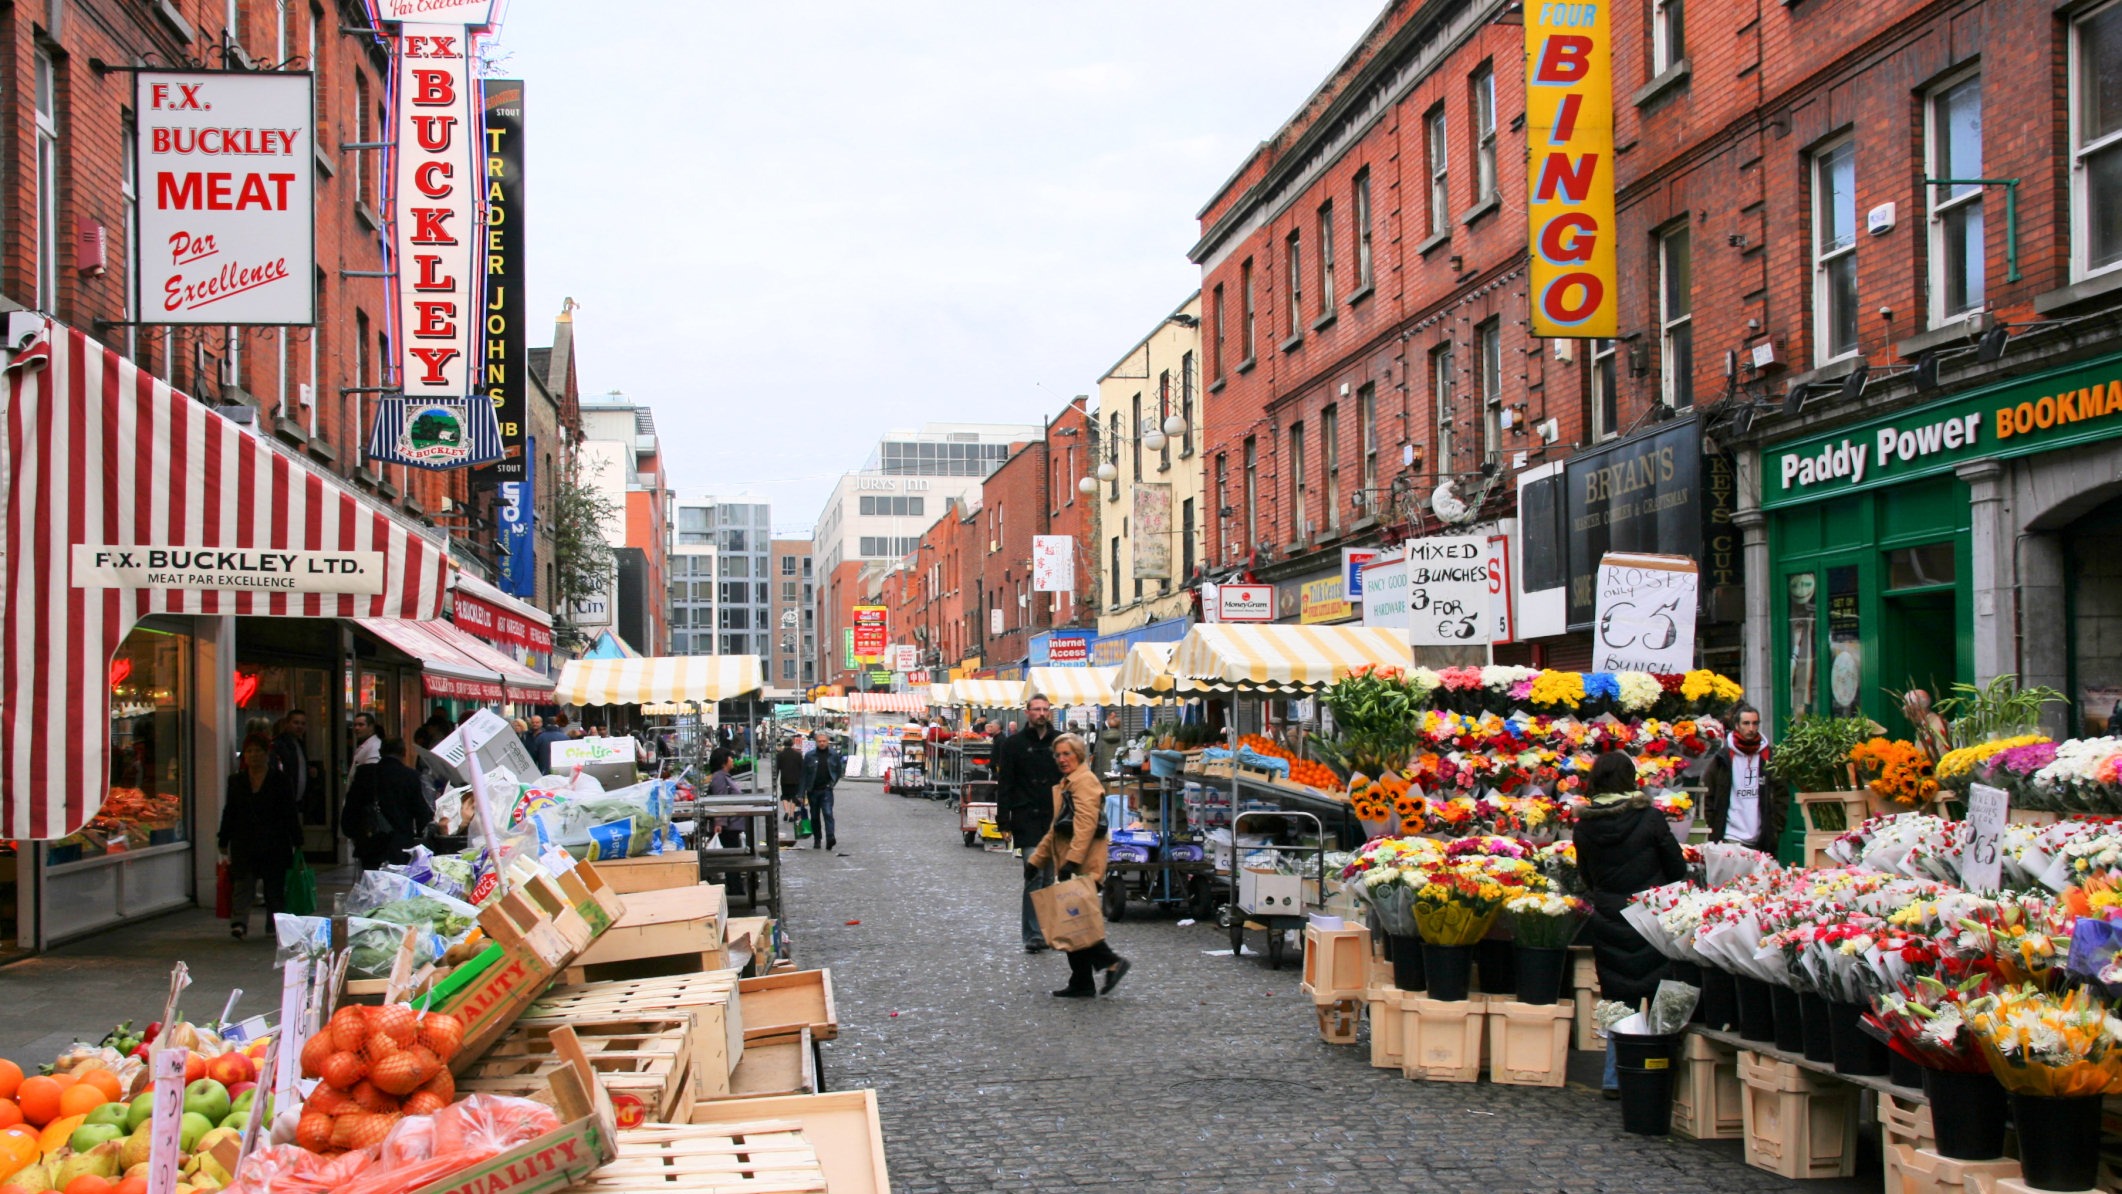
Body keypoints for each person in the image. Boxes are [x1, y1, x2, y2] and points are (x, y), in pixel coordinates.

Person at [1573, 750, 1689, 1097]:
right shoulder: (1650, 818)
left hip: (1610, 916)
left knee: (1617, 995)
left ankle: (1614, 1076)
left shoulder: (1585, 826)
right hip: (1650, 914)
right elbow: (1676, 867)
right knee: (1659, 990)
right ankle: (1656, 1070)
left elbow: (1586, 876)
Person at [1027, 732, 1129, 997]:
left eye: (1067, 754)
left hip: (1084, 863)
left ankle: (1109, 964)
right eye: (1058, 755)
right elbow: (1057, 829)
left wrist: (1071, 862)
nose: (1061, 759)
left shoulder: (1084, 782)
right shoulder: (1069, 782)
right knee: (1073, 922)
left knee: (1075, 922)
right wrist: (1037, 860)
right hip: (1073, 861)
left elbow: (1085, 825)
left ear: (1079, 754)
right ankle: (1083, 981)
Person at [995, 695, 1062, 953]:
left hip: (1054, 818)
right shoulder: (1013, 744)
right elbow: (1005, 784)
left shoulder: (1060, 741)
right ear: (1027, 712)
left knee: (1048, 879)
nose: (1042, 713)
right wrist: (1004, 821)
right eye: (1037, 709)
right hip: (1026, 816)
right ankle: (1033, 934)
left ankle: (1045, 930)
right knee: (1035, 874)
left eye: (1045, 709)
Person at [221, 734, 303, 940]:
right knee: (243, 882)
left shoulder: (280, 780)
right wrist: (223, 838)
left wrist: (297, 839)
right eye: (249, 751)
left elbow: (289, 811)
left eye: (258, 751)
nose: (253, 755)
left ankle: (273, 924)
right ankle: (239, 923)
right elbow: (230, 811)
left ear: (267, 754)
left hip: (274, 840)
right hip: (244, 840)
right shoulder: (236, 781)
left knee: (274, 885)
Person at [1704, 704, 1786, 852]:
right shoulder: (1723, 757)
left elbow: (1781, 793)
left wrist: (1776, 828)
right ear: (1737, 725)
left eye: (1755, 723)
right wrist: (1714, 825)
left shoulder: (1768, 756)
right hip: (1729, 836)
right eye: (1746, 723)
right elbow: (1709, 793)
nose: (1751, 728)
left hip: (1762, 838)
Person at [345, 738, 434, 869]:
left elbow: (351, 808)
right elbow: (421, 813)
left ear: (380, 752)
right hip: (400, 844)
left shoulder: (364, 774)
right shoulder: (410, 776)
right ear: (404, 753)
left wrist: (354, 834)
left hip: (371, 843)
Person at [801, 729, 845, 850]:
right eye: (819, 741)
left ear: (828, 741)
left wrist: (832, 783)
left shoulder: (833, 755)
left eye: (824, 741)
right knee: (815, 816)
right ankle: (817, 839)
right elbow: (804, 775)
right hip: (813, 790)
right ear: (816, 742)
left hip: (826, 790)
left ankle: (830, 837)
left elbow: (838, 771)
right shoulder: (809, 756)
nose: (822, 743)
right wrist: (801, 793)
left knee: (828, 813)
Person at [270, 709, 310, 814]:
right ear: (287, 724)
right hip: (284, 801)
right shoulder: (279, 744)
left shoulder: (300, 744)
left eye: (303, 723)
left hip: (297, 801)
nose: (299, 726)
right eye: (296, 723)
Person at [777, 736, 807, 832]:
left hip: (784, 779)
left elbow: (777, 768)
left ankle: (786, 811)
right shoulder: (798, 754)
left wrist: (776, 778)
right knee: (794, 796)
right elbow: (802, 768)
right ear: (792, 744)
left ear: (784, 744)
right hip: (795, 779)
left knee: (785, 796)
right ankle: (791, 815)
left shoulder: (780, 755)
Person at [1094, 711, 1125, 776]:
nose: (1114, 718)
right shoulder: (1123, 739)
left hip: (1103, 770)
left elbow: (1096, 754)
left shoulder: (1101, 738)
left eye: (1115, 717)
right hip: (1118, 772)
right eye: (1113, 717)